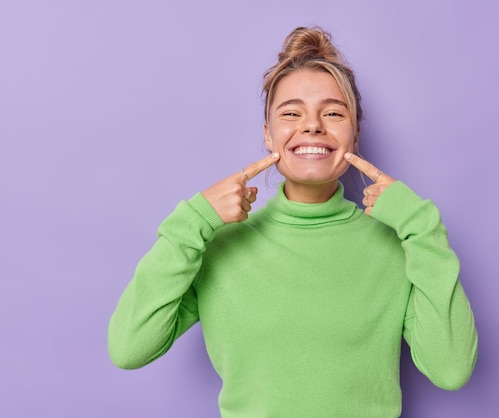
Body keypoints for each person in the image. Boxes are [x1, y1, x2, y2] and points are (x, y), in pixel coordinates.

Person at [108, 26, 478, 417]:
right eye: (291, 113)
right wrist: (192, 220)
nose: (313, 125)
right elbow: (130, 348)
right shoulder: (217, 246)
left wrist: (422, 227)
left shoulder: (398, 245)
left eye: (334, 113)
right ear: (269, 135)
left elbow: (451, 370)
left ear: (354, 137)